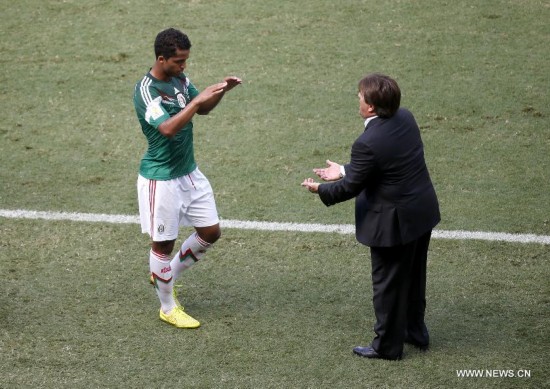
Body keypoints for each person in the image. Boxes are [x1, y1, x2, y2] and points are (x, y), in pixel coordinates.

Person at [301, 73, 440, 360]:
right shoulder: (406, 118)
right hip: (420, 213)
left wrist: (323, 189)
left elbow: (353, 186)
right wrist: (343, 168)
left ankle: (388, 347)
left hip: (393, 223)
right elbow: (385, 161)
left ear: (371, 107)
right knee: (414, 277)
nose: (358, 99)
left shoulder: (367, 142)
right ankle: (415, 332)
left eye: (360, 96)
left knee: (387, 285)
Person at [133, 28, 241, 328]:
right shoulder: (146, 90)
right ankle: (167, 307)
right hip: (161, 179)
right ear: (161, 58)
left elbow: (202, 109)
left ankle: (164, 276)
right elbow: (167, 128)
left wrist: (220, 92)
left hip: (189, 173)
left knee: (210, 232)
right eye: (179, 62)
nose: (184, 67)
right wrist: (194, 103)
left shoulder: (179, 78)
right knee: (163, 246)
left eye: (186, 61)